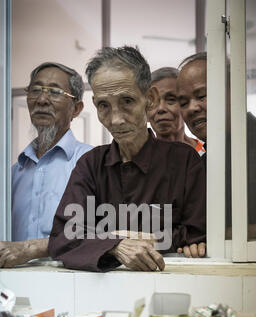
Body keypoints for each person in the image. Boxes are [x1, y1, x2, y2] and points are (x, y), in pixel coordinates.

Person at [48, 46, 206, 272]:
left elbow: (196, 233)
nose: (116, 119)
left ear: (149, 98)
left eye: (127, 101)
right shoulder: (91, 165)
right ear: (95, 105)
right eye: (104, 105)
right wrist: (116, 245)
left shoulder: (183, 161)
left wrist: (107, 237)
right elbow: (63, 237)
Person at [0, 62, 92, 268]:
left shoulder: (90, 163)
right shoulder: (13, 173)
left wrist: (32, 249)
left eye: (55, 92)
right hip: (15, 284)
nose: (41, 100)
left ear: (76, 109)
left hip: (73, 284)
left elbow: (102, 234)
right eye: (35, 90)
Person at [177, 52, 256, 240]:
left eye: (202, 95)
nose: (192, 108)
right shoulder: (199, 165)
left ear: (233, 90)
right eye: (183, 103)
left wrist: (229, 236)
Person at [147, 67, 205, 157]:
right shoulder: (140, 159)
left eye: (171, 99)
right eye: (153, 102)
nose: (161, 108)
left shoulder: (207, 152)